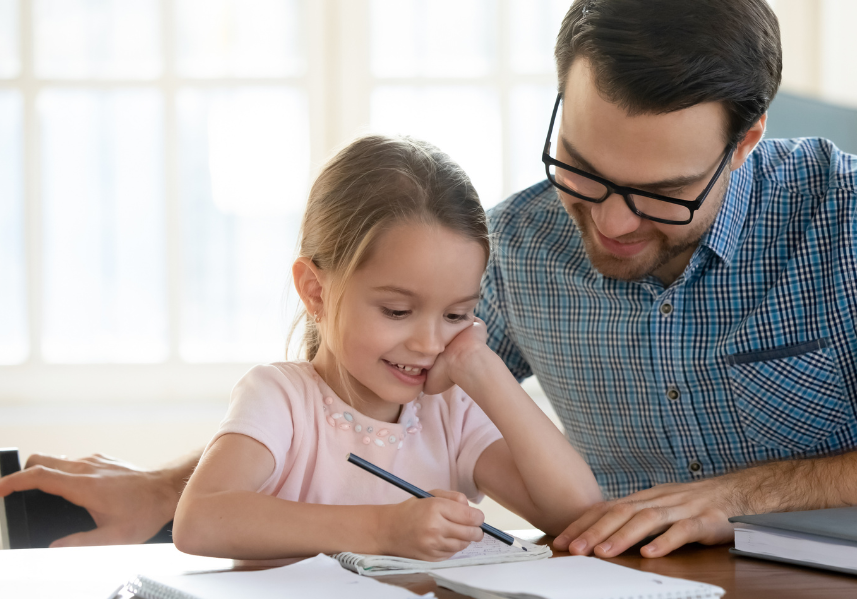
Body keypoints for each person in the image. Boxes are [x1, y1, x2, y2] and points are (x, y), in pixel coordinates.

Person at [0, 0, 857, 558]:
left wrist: (734, 498)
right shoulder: (519, 245)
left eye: (661, 195)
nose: (608, 221)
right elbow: (371, 398)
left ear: (747, 146)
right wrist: (157, 493)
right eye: (582, 171)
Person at [169, 134, 600, 560]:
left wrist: (482, 367)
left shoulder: (452, 411)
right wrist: (383, 528)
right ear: (316, 291)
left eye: (456, 315)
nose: (430, 344)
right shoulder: (281, 399)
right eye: (396, 311)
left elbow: (579, 517)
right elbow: (200, 520)